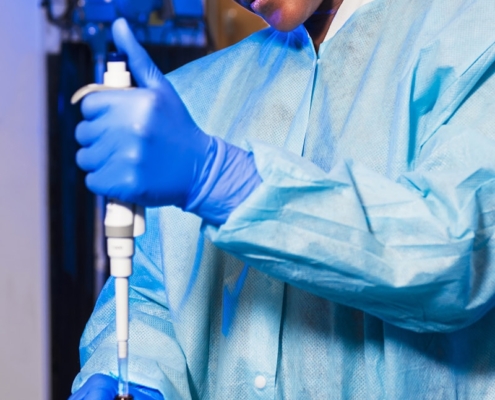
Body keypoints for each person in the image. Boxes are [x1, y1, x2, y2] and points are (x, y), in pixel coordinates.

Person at [70, 0, 495, 398]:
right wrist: (135, 373)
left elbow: (457, 256)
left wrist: (223, 182)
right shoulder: (195, 95)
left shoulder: (472, 36)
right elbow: (155, 293)